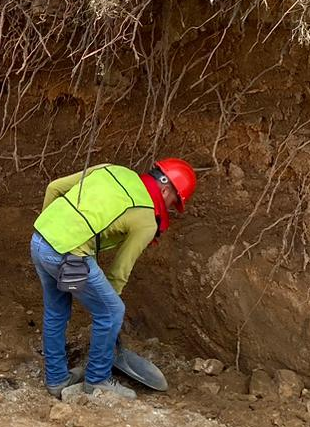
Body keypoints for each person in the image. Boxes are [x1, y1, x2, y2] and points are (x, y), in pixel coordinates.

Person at [30, 158, 196, 399]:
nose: (170, 208)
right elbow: (119, 271)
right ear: (165, 191)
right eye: (174, 202)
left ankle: (57, 380)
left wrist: (52, 233)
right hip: (69, 255)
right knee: (112, 311)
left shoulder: (110, 169)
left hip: (39, 240)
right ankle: (97, 381)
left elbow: (53, 187)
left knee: (56, 311)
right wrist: (111, 311)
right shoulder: (147, 220)